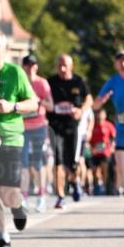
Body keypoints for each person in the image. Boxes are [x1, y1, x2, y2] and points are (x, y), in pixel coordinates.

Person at [0, 32, 38, 247]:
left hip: (11, 139)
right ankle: (2, 239)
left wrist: (14, 107)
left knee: (7, 195)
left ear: (5, 49)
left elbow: (34, 103)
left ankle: (17, 204)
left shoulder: (15, 73)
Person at [47, 53, 92, 209]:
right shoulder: (51, 82)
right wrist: (48, 105)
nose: (62, 68)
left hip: (73, 127)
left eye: (65, 65)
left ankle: (74, 181)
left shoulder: (78, 81)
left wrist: (81, 110)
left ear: (71, 66)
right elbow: (43, 98)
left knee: (72, 163)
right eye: (60, 65)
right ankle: (60, 196)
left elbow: (89, 99)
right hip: (55, 127)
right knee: (58, 161)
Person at [93, 50, 124, 212]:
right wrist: (102, 100)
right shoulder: (112, 82)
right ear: (116, 64)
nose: (123, 64)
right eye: (120, 61)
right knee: (121, 167)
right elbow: (96, 105)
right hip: (121, 130)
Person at [20, 53, 53, 212]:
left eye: (33, 65)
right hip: (22, 127)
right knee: (24, 163)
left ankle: (41, 196)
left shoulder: (42, 83)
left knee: (37, 163)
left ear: (36, 67)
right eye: (27, 65)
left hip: (39, 127)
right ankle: (24, 197)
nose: (30, 68)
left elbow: (51, 105)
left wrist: (37, 101)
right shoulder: (20, 81)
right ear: (23, 67)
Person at [89, 108, 116, 195]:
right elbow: (89, 139)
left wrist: (112, 147)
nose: (100, 116)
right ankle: (96, 186)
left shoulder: (109, 125)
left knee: (105, 169)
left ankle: (105, 187)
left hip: (105, 152)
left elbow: (114, 138)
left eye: (101, 114)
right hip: (95, 152)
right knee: (95, 171)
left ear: (105, 115)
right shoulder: (93, 126)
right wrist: (91, 148)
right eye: (98, 114)